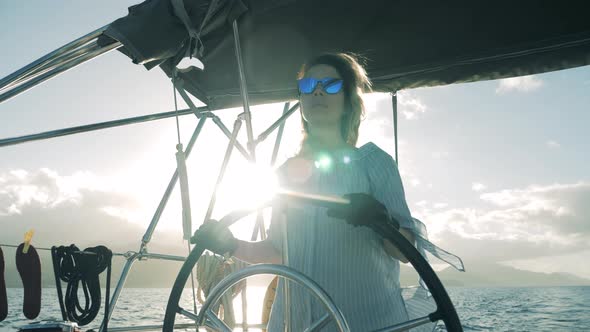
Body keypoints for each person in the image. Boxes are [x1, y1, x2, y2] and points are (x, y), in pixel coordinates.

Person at [193, 53, 419, 331]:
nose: (318, 91)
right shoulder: (286, 174)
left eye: (331, 85)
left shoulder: (374, 163)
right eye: (309, 86)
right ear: (301, 100)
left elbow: (406, 251)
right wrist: (231, 244)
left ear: (349, 99)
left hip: (366, 322)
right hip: (293, 323)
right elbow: (279, 250)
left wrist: (384, 223)